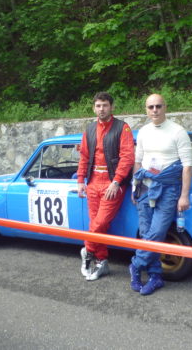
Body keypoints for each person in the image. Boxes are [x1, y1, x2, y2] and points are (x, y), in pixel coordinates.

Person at [129, 93, 192, 295]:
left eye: (158, 106)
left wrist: (183, 196)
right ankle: (156, 277)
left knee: (156, 233)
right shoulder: (144, 132)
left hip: (168, 189)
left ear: (165, 107)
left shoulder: (178, 131)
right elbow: (138, 162)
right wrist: (134, 187)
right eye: (150, 107)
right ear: (146, 110)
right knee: (147, 233)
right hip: (145, 188)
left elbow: (187, 166)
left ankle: (135, 265)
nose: (154, 110)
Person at [77, 92, 135, 281]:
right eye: (98, 106)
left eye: (105, 105)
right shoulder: (90, 129)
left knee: (100, 223)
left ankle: (87, 250)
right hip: (93, 182)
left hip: (112, 184)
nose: (101, 109)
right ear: (94, 108)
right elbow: (84, 157)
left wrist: (117, 181)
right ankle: (102, 261)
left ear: (112, 107)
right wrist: (80, 182)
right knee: (97, 224)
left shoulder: (122, 128)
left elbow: (128, 157)